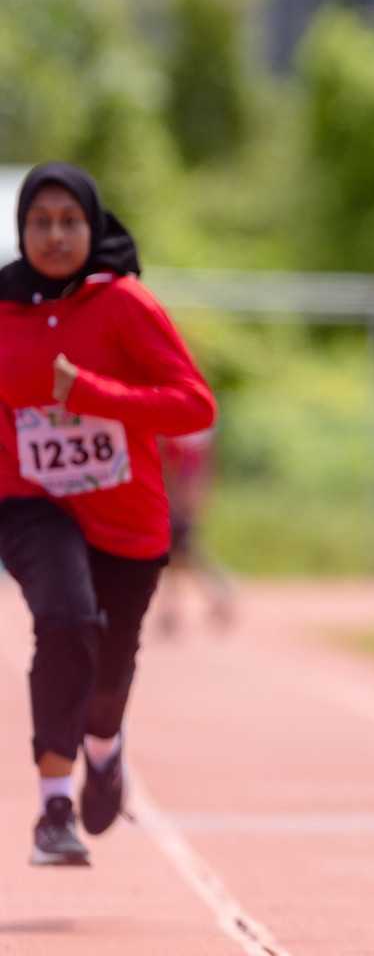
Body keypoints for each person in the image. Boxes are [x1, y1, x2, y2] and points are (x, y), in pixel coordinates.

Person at [0, 163, 216, 866]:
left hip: (127, 522)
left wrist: (93, 393)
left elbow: (195, 406)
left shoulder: (125, 304)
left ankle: (105, 747)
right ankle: (52, 808)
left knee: (107, 679)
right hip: (32, 504)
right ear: (20, 229)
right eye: (40, 221)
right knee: (64, 622)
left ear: (93, 228)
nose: (54, 234)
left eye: (69, 221)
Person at [156, 426, 234, 636]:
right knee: (175, 556)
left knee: (184, 555)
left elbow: (193, 470)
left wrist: (189, 498)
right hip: (175, 500)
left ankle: (221, 597)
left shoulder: (184, 435)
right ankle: (171, 611)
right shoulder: (192, 433)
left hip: (178, 502)